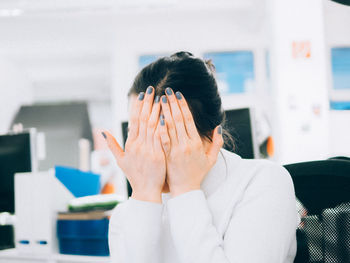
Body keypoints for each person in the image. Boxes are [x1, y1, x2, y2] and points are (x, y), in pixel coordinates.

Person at [103, 51, 298, 263]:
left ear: (212, 134)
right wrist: (144, 197)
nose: (150, 153)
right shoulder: (126, 216)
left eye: (169, 134)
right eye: (139, 134)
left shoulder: (263, 182)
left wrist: (185, 191)